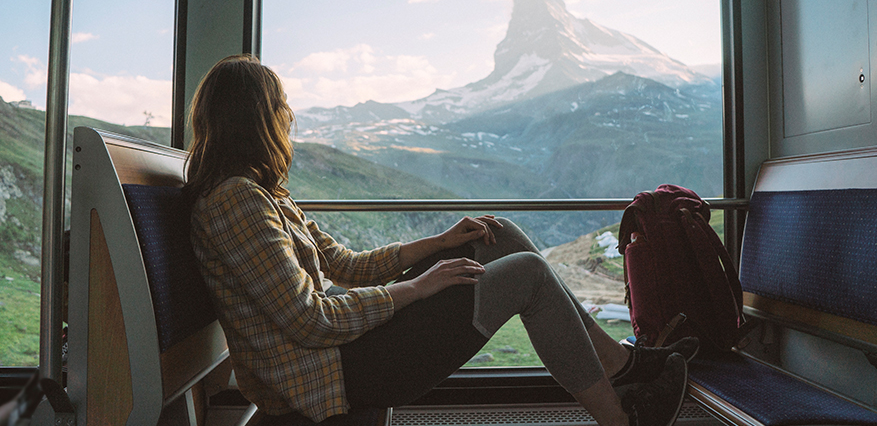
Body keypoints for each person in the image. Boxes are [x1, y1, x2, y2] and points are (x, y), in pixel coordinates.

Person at [184, 55, 698, 426]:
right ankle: (623, 417)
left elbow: (344, 264)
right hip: (326, 373)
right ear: (256, 119)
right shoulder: (237, 201)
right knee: (529, 275)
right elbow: (310, 319)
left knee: (498, 233)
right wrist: (418, 287)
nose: (288, 117)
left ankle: (621, 365)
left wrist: (440, 242)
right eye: (281, 106)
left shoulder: (263, 194)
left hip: (343, 352)